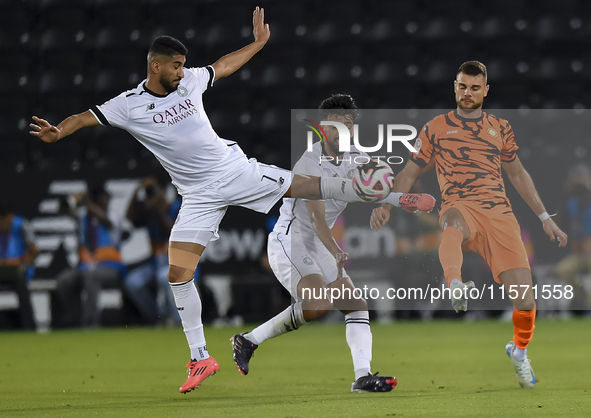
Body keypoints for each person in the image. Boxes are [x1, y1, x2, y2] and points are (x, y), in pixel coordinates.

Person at [29, 8, 432, 393]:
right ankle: (200, 357)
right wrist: (58, 132)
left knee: (310, 188)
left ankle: (359, 372)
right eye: (175, 65)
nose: (182, 71)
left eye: (184, 65)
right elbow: (85, 116)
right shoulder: (130, 105)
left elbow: (222, 65)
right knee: (177, 272)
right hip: (198, 194)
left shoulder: (190, 82)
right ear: (156, 65)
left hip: (233, 170)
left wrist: (256, 44)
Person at [370, 61, 568, 389]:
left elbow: (517, 174)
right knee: (449, 220)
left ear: (485, 91)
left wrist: (545, 218)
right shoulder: (434, 128)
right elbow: (409, 172)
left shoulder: (500, 127)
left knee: (526, 302)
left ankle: (518, 352)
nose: (467, 93)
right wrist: (388, 203)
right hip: (461, 206)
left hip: (500, 215)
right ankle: (455, 285)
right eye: (463, 86)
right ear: (454, 86)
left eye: (475, 88)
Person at [231, 94, 434, 392]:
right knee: (318, 306)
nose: (343, 129)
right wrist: (336, 250)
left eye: (348, 124)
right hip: (293, 240)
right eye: (337, 123)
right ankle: (248, 340)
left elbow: (372, 189)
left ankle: (362, 376)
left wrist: (403, 201)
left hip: (320, 243)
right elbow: (315, 220)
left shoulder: (358, 158)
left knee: (355, 305)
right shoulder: (310, 162)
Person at [54, 186, 127, 328]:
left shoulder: (112, 216)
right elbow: (63, 210)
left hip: (111, 267)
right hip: (85, 266)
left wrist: (87, 203)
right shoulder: (83, 217)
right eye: (102, 199)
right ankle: (77, 318)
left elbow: (107, 221)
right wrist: (71, 199)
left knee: (91, 277)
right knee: (63, 281)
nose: (106, 202)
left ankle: (91, 323)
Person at [125, 177, 181, 325]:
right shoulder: (149, 211)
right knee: (133, 282)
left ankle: (178, 321)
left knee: (164, 278)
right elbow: (129, 218)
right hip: (155, 262)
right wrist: (138, 190)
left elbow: (174, 229)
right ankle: (157, 316)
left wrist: (160, 207)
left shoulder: (174, 206)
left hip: (175, 260)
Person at [555, 164, 591, 311]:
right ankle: (582, 298)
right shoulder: (571, 202)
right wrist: (565, 194)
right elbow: (559, 222)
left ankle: (589, 305)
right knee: (563, 270)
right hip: (578, 253)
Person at [0, 204, 38, 330]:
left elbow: (34, 251)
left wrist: (23, 266)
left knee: (20, 282)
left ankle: (29, 326)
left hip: (19, 270)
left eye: (3, 220)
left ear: (10, 217)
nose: (1, 224)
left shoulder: (22, 225)